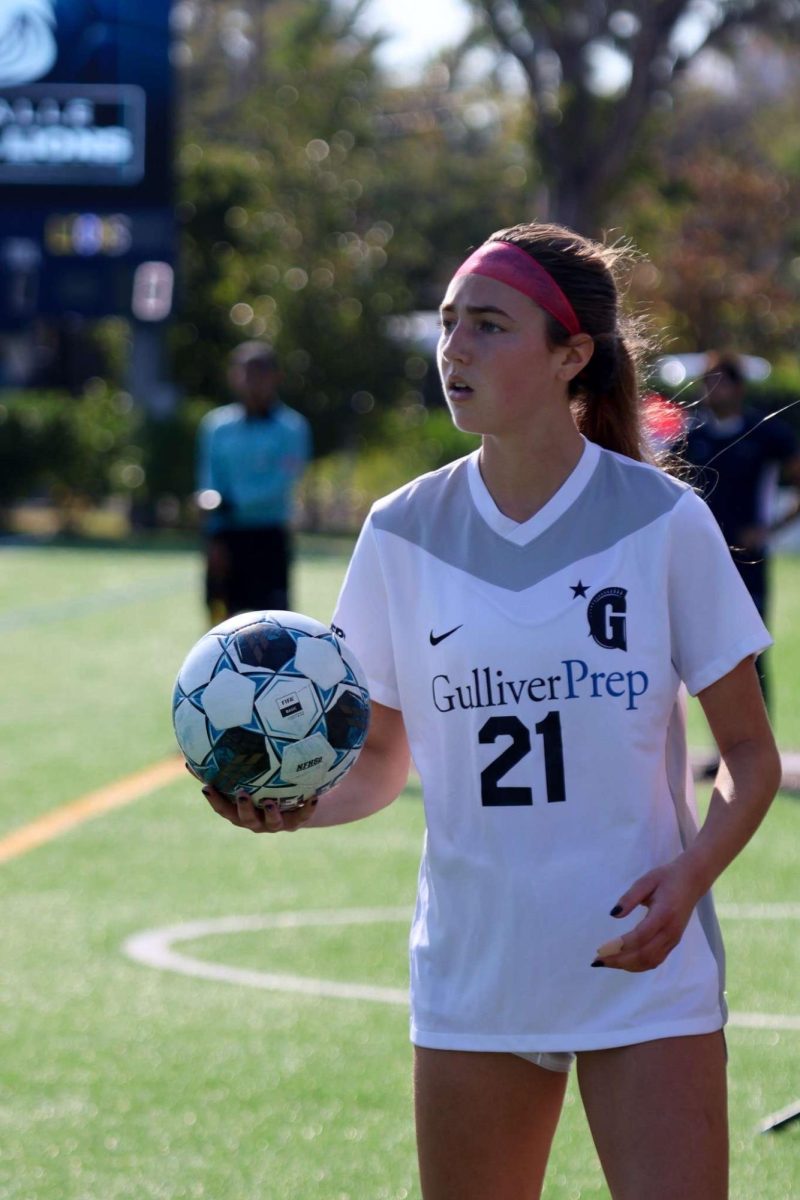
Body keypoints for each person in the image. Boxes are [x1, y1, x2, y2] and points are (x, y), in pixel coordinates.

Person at [199, 223, 781, 1200]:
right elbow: (380, 763)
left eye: (487, 325)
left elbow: (748, 757)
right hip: (474, 969)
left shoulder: (660, 521)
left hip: (640, 972)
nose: (452, 349)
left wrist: (687, 879)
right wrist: (297, 803)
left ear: (570, 356)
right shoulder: (400, 532)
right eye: (445, 324)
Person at [682, 352, 800, 712]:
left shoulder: (763, 432)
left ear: (738, 386)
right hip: (701, 559)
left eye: (721, 380)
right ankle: (722, 751)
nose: (712, 389)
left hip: (748, 559)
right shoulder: (692, 436)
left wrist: (770, 530)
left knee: (751, 650)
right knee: (705, 655)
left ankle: (760, 750)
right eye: (708, 381)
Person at [195, 341, 311, 625]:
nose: (251, 382)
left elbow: (283, 481)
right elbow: (209, 478)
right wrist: (213, 528)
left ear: (275, 377)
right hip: (225, 536)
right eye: (245, 373)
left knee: (273, 624)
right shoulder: (216, 426)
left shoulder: (292, 427)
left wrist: (235, 502)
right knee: (219, 620)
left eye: (259, 374)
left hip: (268, 537)